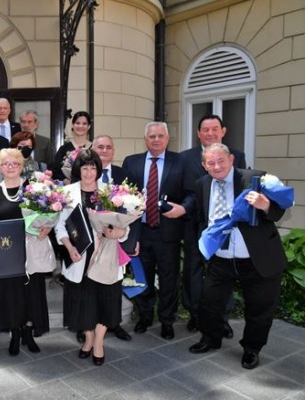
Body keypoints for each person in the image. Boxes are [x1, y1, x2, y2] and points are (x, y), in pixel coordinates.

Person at [188, 143, 287, 370]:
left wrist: (265, 205)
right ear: (204, 166)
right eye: (210, 162)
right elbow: (203, 218)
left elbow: (278, 210)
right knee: (209, 302)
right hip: (221, 258)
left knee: (259, 309)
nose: (216, 166)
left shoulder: (255, 179)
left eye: (220, 160)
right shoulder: (202, 184)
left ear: (231, 159)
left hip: (257, 259)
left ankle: (252, 349)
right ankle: (210, 339)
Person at [122, 122, 193, 340]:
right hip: (140, 231)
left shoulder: (180, 161)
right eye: (152, 136)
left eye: (160, 136)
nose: (156, 139)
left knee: (169, 279)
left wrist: (182, 208)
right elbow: (123, 195)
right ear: (145, 139)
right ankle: (145, 316)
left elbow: (191, 194)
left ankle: (167, 321)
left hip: (168, 233)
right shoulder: (131, 162)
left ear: (167, 138)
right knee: (142, 277)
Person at [55, 149, 125, 366]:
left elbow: (123, 224)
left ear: (98, 169)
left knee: (105, 299)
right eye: (84, 167)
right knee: (83, 302)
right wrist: (68, 247)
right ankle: (88, 338)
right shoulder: (67, 192)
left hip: (105, 254)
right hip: (80, 255)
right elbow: (60, 226)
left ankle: (99, 343)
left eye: (92, 167)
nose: (88, 172)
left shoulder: (110, 192)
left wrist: (118, 233)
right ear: (78, 170)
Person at [181, 114, 246, 336]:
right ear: (198, 133)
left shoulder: (237, 155)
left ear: (223, 131)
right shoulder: (185, 158)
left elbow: (240, 190)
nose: (210, 133)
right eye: (205, 130)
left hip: (226, 230)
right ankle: (195, 314)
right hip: (195, 225)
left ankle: (222, 318)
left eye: (214, 129)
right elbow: (186, 192)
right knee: (193, 271)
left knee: (224, 273)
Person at [0, 148, 48, 356]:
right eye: (6, 164)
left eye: (15, 163)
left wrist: (45, 228)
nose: (10, 167)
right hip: (7, 252)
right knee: (11, 294)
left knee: (31, 292)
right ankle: (15, 334)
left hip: (31, 249)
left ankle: (28, 333)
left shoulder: (33, 188)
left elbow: (46, 214)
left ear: (22, 166)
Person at [91, 134, 137, 342]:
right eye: (100, 147)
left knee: (115, 284)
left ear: (114, 151)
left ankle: (114, 323)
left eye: (108, 147)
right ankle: (90, 326)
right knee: (92, 285)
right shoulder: (86, 174)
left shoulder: (125, 175)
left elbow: (136, 209)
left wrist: (130, 238)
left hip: (117, 239)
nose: (104, 150)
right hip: (94, 240)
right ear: (93, 149)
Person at [52, 111, 93, 182]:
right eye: (77, 123)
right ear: (72, 125)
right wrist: (65, 180)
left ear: (89, 126)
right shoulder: (64, 149)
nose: (81, 126)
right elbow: (55, 171)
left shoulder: (94, 148)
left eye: (84, 123)